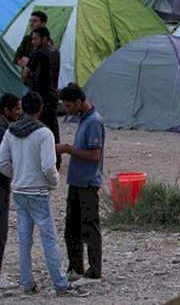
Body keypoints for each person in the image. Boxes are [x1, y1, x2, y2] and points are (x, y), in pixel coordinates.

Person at [0, 92, 89, 297]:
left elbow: (2, 162)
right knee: (49, 238)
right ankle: (60, 284)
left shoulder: (11, 131)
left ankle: (26, 283)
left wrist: (17, 175)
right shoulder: (43, 133)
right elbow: (49, 166)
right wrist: (54, 181)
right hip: (38, 191)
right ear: (40, 108)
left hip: (20, 190)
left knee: (24, 238)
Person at [57, 84, 105, 287]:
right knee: (71, 228)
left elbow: (94, 155)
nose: (66, 110)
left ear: (78, 102)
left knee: (89, 228)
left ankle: (95, 271)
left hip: (87, 182)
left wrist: (68, 149)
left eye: (68, 106)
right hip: (76, 182)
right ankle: (75, 268)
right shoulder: (83, 119)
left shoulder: (94, 121)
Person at [22, 27, 61, 168]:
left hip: (39, 96)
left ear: (44, 38)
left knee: (36, 128)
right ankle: (56, 159)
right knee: (53, 128)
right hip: (52, 94)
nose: (33, 41)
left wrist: (27, 68)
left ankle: (39, 158)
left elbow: (25, 74)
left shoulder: (37, 53)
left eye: (35, 38)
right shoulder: (55, 51)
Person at [0, 93, 21, 290]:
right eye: (16, 109)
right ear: (6, 110)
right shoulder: (4, 130)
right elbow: (4, 162)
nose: (19, 113)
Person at [14, 10, 48, 86]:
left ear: (43, 24)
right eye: (30, 21)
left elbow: (42, 65)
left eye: (35, 21)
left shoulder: (47, 42)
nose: (31, 24)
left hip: (41, 84)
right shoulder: (27, 39)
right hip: (27, 82)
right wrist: (28, 64)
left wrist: (29, 63)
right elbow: (16, 58)